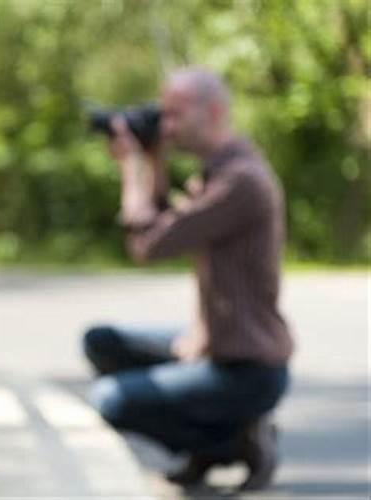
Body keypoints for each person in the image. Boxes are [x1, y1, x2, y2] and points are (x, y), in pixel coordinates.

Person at [82, 67, 294, 491]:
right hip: (214, 344)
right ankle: (219, 439)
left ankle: (232, 443)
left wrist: (131, 168)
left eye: (176, 115)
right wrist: (155, 160)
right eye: (163, 115)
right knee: (101, 341)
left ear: (213, 111)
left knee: (110, 398)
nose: (167, 126)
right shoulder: (221, 172)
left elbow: (148, 245)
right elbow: (164, 219)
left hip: (245, 367)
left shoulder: (240, 182)